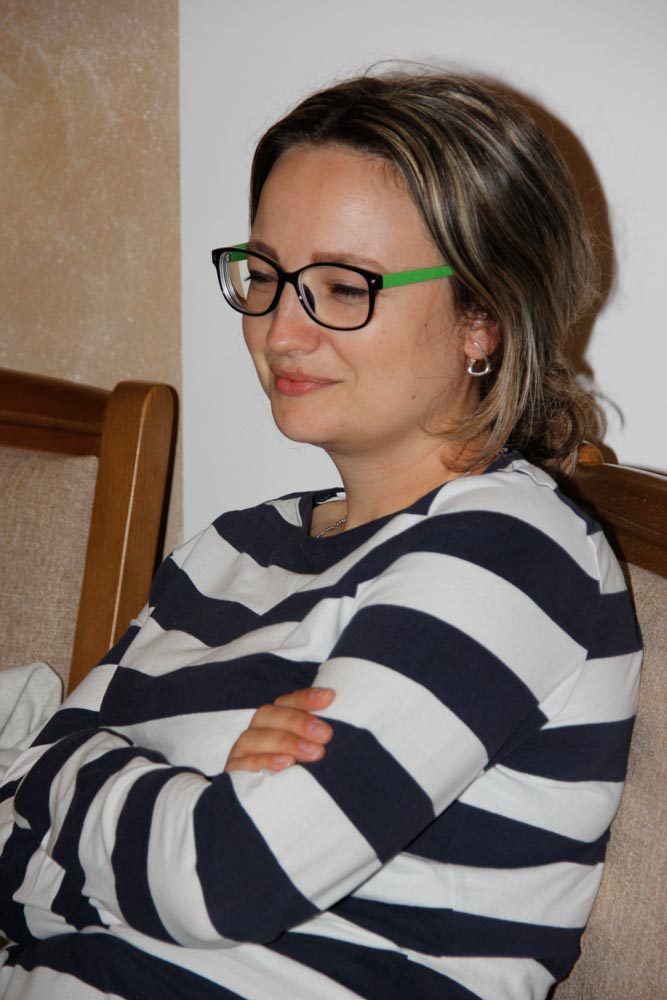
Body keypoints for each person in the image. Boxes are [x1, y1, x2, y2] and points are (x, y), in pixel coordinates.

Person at [0, 70, 641, 1000]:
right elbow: (15, 819)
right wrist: (182, 777)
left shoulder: (513, 548)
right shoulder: (230, 548)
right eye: (264, 277)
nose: (280, 333)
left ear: (484, 316)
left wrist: (79, 768)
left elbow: (225, 879)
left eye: (342, 287)